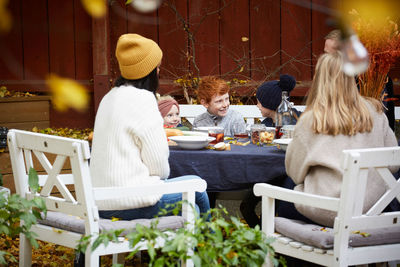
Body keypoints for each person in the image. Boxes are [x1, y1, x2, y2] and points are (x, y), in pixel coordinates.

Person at [90, 33, 210, 222]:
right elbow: (160, 168)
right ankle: (207, 250)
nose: (159, 72)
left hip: (98, 203)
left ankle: (197, 250)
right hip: (131, 202)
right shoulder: (144, 100)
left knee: (193, 203)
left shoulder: (108, 98)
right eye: (158, 67)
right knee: (199, 190)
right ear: (150, 71)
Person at [284, 52, 398, 227]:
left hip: (326, 211)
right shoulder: (375, 112)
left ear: (319, 80)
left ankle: (289, 252)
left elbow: (294, 171)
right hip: (372, 209)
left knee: (284, 188)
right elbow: (393, 164)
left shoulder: (311, 120)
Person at [240, 74, 299, 228]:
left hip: (288, 176)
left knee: (272, 210)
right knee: (246, 206)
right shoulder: (266, 124)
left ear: (270, 103)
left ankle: (265, 241)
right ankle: (260, 238)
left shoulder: (295, 122)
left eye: (259, 102)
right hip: (266, 173)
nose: (257, 106)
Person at [324, 29, 396, 131]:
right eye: (325, 54)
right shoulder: (326, 79)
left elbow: (386, 125)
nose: (326, 59)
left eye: (332, 55)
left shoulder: (372, 82)